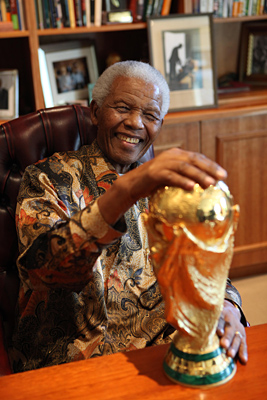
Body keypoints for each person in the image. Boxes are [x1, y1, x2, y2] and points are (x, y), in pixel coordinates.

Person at [9, 61, 248, 373]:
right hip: (69, 360)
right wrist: (127, 190)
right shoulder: (48, 178)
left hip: (160, 349)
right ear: (95, 112)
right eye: (122, 108)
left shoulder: (165, 188)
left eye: (150, 116)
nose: (136, 122)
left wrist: (228, 305)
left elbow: (199, 261)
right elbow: (46, 270)